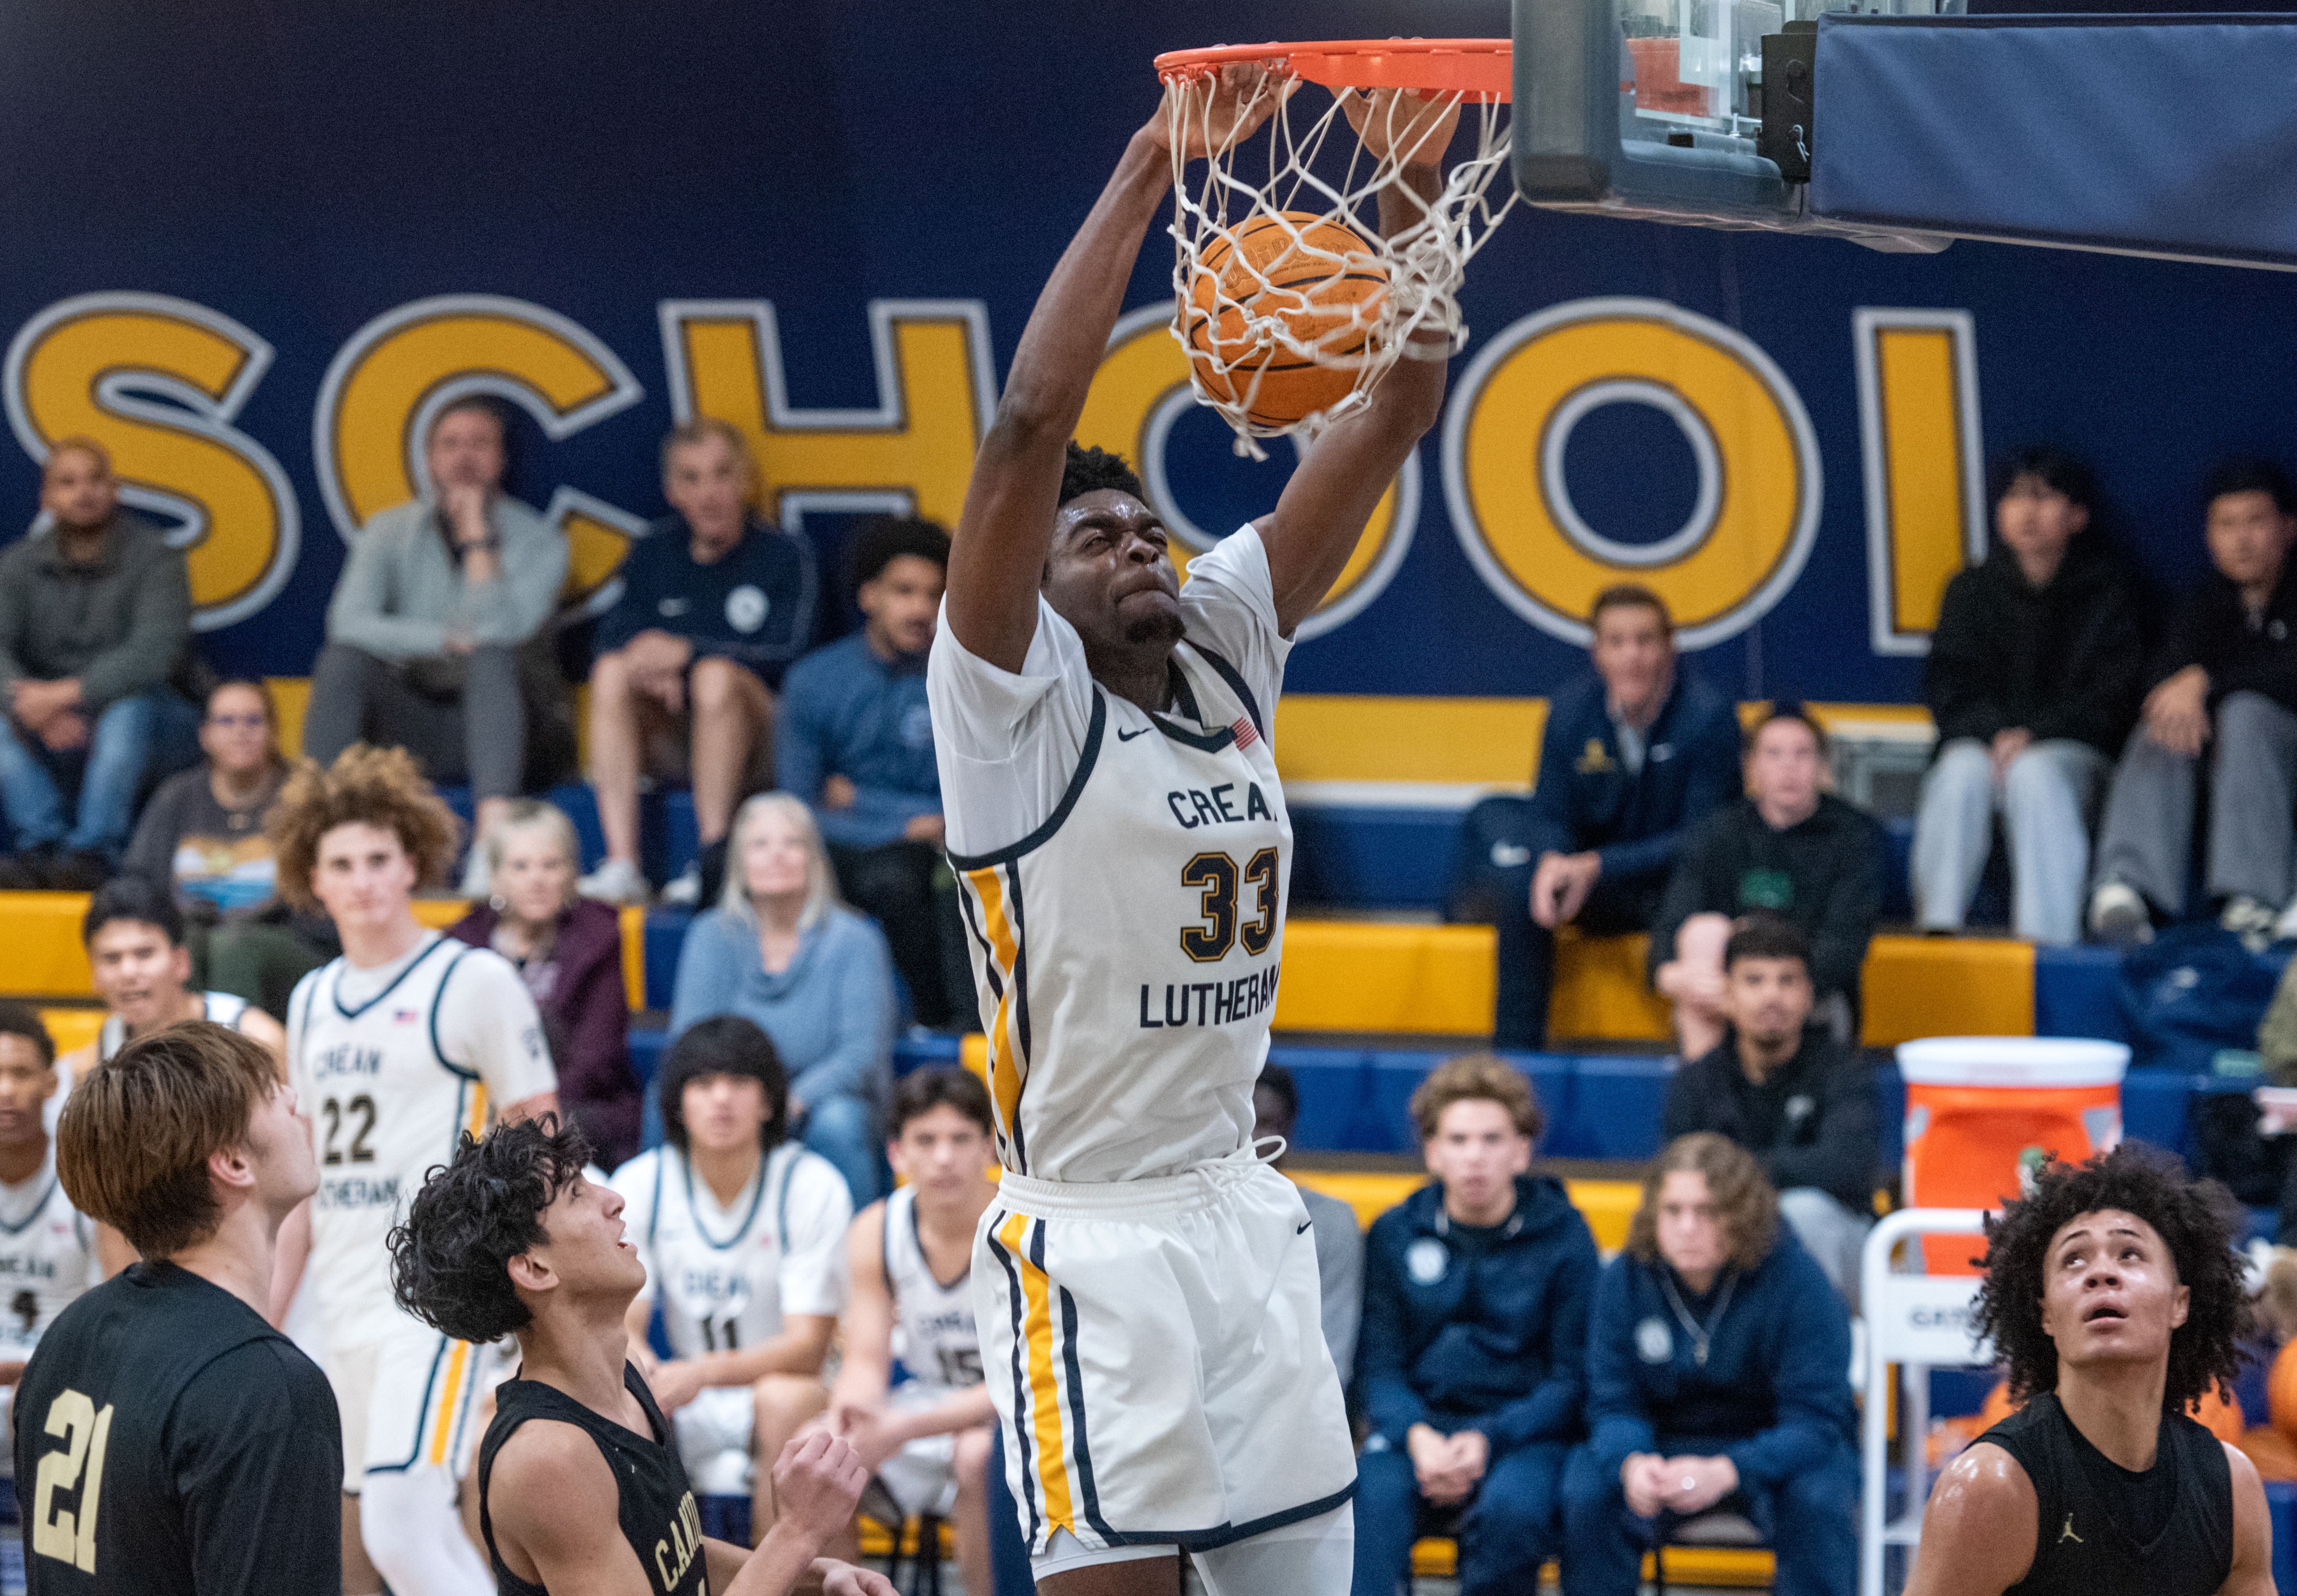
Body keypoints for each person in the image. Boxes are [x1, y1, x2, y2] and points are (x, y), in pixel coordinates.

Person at [927, 73, 1465, 1596]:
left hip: (1240, 1209)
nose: (1138, 545)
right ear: (1034, 597)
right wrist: (1149, 165)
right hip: (1092, 1245)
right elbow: (1033, 415)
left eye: (1148, 527)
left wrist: (1414, 194)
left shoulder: (1228, 640)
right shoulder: (1007, 715)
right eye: (1095, 541)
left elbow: (1402, 398)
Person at [269, 743, 560, 1596]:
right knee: (351, 1547)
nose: (361, 880)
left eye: (378, 860)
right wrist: (268, 1312)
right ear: (312, 880)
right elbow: (304, 1180)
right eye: (341, 864)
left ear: (413, 866)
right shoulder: (313, 997)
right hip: (339, 1299)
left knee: (403, 1524)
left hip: (433, 1299)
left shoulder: (472, 980)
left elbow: (542, 1146)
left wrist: (538, 1298)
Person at [388, 1115, 895, 1595]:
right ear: (535, 1269)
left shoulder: (624, 1382)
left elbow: (670, 1557)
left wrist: (815, 1573)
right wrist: (796, 1536)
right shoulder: (548, 1456)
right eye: (577, 1195)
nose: (613, 1200)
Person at [17, 1020, 338, 1593]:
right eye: (270, 1092)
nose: (293, 1097)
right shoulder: (265, 1386)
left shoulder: (70, 1332)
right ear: (233, 1162)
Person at [1907, 1144, 2273, 1594]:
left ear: (2181, 1303)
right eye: (2073, 1260)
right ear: (2045, 1316)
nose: (2101, 1273)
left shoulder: (2232, 1488)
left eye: (2129, 1254)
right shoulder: (1991, 1488)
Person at [1563, 1133, 1858, 1596]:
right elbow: (1612, 1402)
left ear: (1740, 1216)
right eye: (1673, 1211)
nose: (1686, 1227)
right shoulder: (1625, 1277)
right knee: (1589, 1491)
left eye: (1706, 1212)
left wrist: (1728, 1470)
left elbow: (1817, 1420)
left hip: (1773, 1443)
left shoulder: (1797, 1280)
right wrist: (1632, 1462)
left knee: (1818, 1501)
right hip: (1662, 1439)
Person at [301, 397, 571, 892]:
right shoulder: (388, 531)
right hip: (418, 724)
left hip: (514, 733)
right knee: (342, 663)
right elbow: (347, 622)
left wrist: (477, 543)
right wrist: (440, 640)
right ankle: (319, 834)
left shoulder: (542, 542)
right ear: (429, 459)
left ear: (501, 460)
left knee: (491, 659)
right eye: (450, 444)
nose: (464, 457)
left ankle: (492, 853)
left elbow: (500, 633)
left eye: (480, 443)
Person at [1353, 1054, 1598, 1596]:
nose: (1475, 1158)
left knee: (1515, 1512)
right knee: (1366, 1502)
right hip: (1416, 1431)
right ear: (1433, 1151)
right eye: (1459, 1140)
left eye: (1492, 1139)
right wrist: (1416, 1435)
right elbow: (1378, 1364)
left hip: (1524, 1434)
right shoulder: (1394, 1233)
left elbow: (1572, 1377)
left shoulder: (1566, 1237)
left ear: (1522, 1149)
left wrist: (1489, 1437)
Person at [1464, 585, 1743, 1049]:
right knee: (1523, 888)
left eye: (1644, 640)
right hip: (1593, 883)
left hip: (1672, 886)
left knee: (1706, 913)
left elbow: (1703, 837)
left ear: (1669, 646)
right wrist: (1554, 860)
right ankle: (1514, 1065)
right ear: (1597, 652)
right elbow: (1551, 811)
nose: (1631, 655)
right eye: (1616, 642)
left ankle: (1701, 1079)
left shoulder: (1709, 717)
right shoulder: (1570, 710)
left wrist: (1597, 866)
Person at [611, 1016, 853, 1547]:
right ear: (676, 1103)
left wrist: (701, 1372)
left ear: (770, 1103)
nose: (722, 1099)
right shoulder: (642, 1182)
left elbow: (808, 1348)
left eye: (741, 1083)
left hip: (787, 1391)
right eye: (702, 1083)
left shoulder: (811, 1185)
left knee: (782, 1399)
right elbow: (622, 1323)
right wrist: (642, 1363)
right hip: (689, 1395)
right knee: (623, 1401)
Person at [581, 419, 817, 909]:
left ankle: (712, 860)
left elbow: (793, 656)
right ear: (672, 491)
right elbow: (610, 637)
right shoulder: (653, 551)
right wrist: (653, 659)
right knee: (611, 671)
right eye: (691, 478)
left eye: (721, 475)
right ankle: (623, 864)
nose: (709, 492)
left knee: (714, 678)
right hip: (678, 737)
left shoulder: (784, 554)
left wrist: (689, 654)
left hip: (761, 742)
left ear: (746, 481)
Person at [1913, 448, 2148, 944]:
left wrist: (2034, 735)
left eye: (2044, 497)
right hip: (1986, 745)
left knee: (2034, 773)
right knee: (1959, 771)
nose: (2028, 511)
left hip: (2075, 756)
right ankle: (1936, 928)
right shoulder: (1970, 590)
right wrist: (1993, 733)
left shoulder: (2112, 592)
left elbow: (2114, 699)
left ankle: (2046, 941)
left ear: (2077, 516)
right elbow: (1948, 688)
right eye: (2016, 496)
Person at [2090, 459, 2297, 949]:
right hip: (2225, 773)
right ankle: (2127, 886)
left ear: (2288, 528)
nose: (2242, 539)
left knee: (2245, 713)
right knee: (2165, 715)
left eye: (2256, 522)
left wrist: (2208, 680)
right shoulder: (2202, 603)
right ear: (2209, 535)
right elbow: (2161, 675)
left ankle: (2252, 898)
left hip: (2282, 759)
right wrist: (2183, 688)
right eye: (2227, 525)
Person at [777, 516, 968, 1028]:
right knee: (726, 863)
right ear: (869, 597)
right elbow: (795, 809)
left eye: (934, 594)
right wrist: (903, 821)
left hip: (930, 855)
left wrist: (859, 800)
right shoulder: (815, 681)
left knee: (899, 876)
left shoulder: (968, 683)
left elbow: (971, 803)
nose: (921, 609)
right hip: (843, 846)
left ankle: (938, 1025)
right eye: (904, 591)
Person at [817, 1068, 1000, 1596]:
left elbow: (1022, 1380)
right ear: (897, 1154)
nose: (944, 1158)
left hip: (1008, 1418)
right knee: (821, 1449)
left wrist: (903, 1428)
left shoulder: (1017, 1228)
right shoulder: (876, 1229)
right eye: (927, 1140)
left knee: (975, 1455)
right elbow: (866, 1360)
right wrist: (848, 1415)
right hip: (920, 1407)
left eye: (961, 1140)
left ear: (990, 1148)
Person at [668, 792, 896, 1206]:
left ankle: (855, 1258)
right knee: (663, 1100)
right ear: (740, 862)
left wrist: (785, 1100)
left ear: (815, 858)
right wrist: (739, 1097)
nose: (777, 856)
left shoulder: (855, 940)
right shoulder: (709, 934)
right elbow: (691, 1042)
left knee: (839, 1123)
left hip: (820, 1101)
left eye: (793, 843)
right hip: (732, 1092)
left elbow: (859, 1056)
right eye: (760, 845)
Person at [0, 436, 201, 888]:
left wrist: (67, 695)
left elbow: (156, 652)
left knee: (126, 710)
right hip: (47, 718)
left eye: (95, 480)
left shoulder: (157, 556)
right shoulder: (16, 566)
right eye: (67, 483)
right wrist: (30, 708)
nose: (83, 492)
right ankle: (42, 849)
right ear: (46, 498)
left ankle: (94, 854)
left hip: (158, 719)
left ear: (116, 489)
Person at [1659, 915, 1878, 1303]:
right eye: (1755, 980)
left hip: (1842, 1253)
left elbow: (1849, 1166)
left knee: (1803, 1212)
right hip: (1728, 1240)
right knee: (1682, 1223)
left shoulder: (1846, 1072)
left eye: (1787, 980)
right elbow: (1676, 1172)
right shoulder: (1697, 1081)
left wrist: (1738, 1174)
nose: (1772, 996)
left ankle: (1817, 1352)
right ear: (1727, 993)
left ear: (1809, 995)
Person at [1649, 707, 1885, 1060]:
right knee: (1702, 934)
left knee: (1771, 980)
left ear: (1823, 766)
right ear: (1751, 766)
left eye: (1802, 754)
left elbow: (1844, 949)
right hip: (1726, 994)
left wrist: (1770, 988)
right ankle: (1705, 1097)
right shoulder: (1718, 833)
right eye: (1773, 754)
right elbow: (1673, 925)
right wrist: (1678, 976)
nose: (1788, 766)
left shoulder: (1855, 837)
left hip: (1809, 995)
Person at [123, 677, 338, 1017]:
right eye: (227, 721)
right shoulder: (176, 797)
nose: (241, 731)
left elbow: (325, 904)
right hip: (199, 943)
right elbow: (139, 886)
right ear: (205, 735)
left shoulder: (304, 797)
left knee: (234, 945)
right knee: (182, 945)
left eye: (254, 720)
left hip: (292, 948)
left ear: (273, 732)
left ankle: (233, 1063)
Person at [450, 799, 643, 1168]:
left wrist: (523, 1123)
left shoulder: (600, 935)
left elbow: (597, 1060)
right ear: (495, 878)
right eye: (520, 866)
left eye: (551, 865)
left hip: (576, 1109)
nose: (537, 878)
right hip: (480, 1110)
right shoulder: (463, 942)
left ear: (573, 875)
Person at [59, 877, 288, 1134]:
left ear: (181, 962)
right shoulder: (86, 1070)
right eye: (112, 959)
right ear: (93, 974)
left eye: (144, 954)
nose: (129, 972)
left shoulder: (257, 1040)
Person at [0, 1004, 106, 1408]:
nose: (6, 1090)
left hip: (64, 1394)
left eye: (21, 1074)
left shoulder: (90, 1179)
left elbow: (113, 1321)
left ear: (50, 1082)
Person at [1253, 1063, 1364, 1381]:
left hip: (1300, 1416)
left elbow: (1332, 1356)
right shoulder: (1190, 1219)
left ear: (1288, 1128)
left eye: (1265, 1124)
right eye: (1239, 1124)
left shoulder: (1330, 1221)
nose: (1249, 1141)